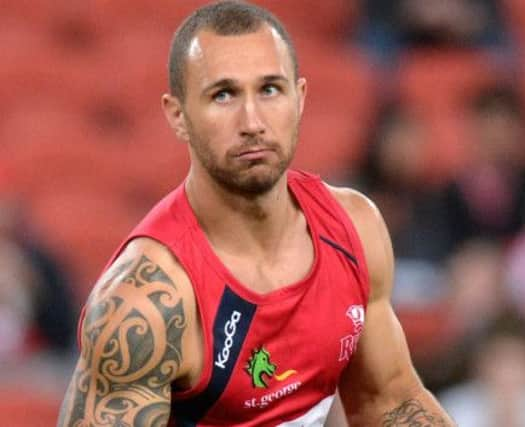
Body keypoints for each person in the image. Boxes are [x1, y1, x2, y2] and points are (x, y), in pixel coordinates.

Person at [57, 1, 455, 426]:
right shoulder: (145, 305)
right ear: (178, 116)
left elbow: (390, 402)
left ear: (299, 99)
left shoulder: (353, 227)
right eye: (224, 95)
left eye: (269, 90)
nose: (252, 121)